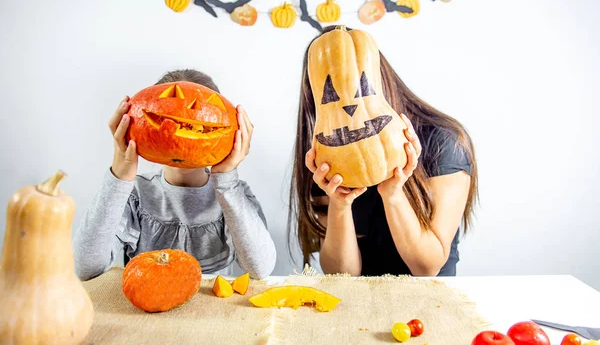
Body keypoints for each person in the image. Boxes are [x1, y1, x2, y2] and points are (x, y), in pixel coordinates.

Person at [288, 26, 478, 277]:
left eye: (360, 88)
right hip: (362, 304)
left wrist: (393, 194)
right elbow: (342, 276)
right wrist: (339, 204)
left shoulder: (445, 141)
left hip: (432, 304)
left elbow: (426, 268)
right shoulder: (325, 155)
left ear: (377, 77)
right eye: (330, 94)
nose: (349, 107)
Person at [74, 69, 276, 280]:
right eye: (170, 120)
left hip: (213, 309)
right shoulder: (136, 196)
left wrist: (227, 181)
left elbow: (261, 268)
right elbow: (86, 267)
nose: (180, 131)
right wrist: (119, 176)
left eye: (194, 124)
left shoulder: (234, 194)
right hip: (148, 308)